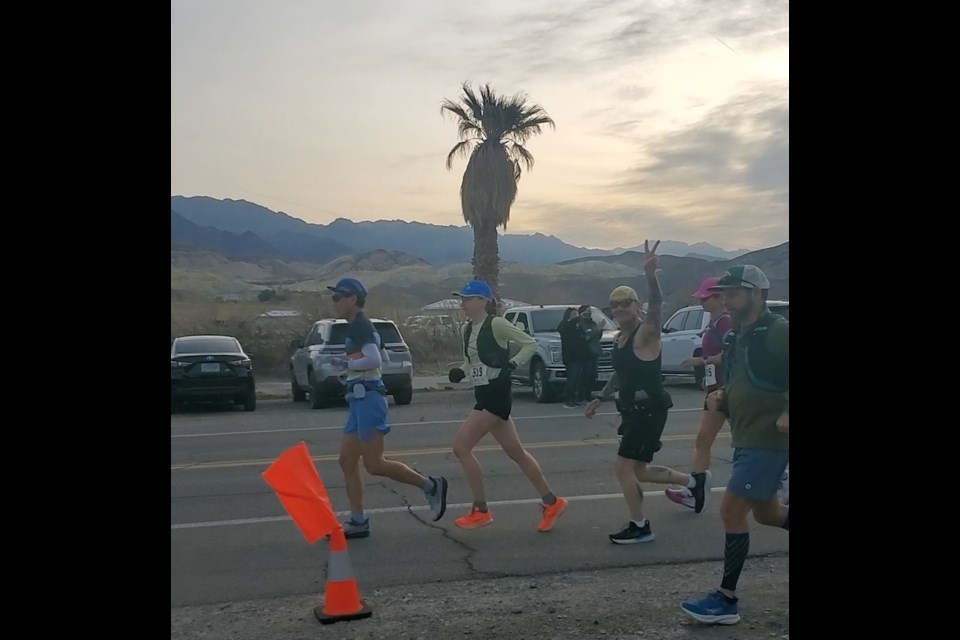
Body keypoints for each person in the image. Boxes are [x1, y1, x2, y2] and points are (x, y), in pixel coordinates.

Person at [680, 265, 789, 626]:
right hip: (745, 436)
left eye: (733, 292)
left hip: (768, 439)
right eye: (723, 292)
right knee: (768, 513)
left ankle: (726, 600)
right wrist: (723, 396)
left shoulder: (777, 331)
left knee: (730, 510)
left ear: (757, 293)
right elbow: (741, 377)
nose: (725, 298)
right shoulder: (735, 337)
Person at [584, 241, 709, 544]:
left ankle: (640, 526)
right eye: (615, 304)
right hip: (632, 410)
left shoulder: (645, 333)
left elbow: (657, 308)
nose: (620, 308)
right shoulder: (621, 338)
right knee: (639, 471)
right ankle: (693, 482)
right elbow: (621, 373)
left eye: (626, 302)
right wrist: (600, 397)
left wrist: (651, 276)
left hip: (648, 409)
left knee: (623, 467)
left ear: (636, 305)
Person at [327, 277, 448, 538]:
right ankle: (358, 521)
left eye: (338, 297)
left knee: (374, 465)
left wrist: (345, 364)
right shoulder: (354, 325)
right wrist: (346, 366)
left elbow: (374, 359)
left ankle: (430, 486)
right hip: (359, 400)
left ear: (352, 299)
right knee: (347, 461)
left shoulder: (360, 324)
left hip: (369, 400)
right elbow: (364, 360)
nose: (334, 302)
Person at [448, 279, 569, 532]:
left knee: (461, 447)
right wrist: (460, 371)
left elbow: (529, 344)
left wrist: (512, 366)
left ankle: (480, 510)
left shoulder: (498, 324)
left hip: (496, 394)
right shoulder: (468, 329)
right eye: (462, 299)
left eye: (468, 299)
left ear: (483, 301)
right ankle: (552, 502)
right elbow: (472, 360)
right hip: (483, 393)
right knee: (516, 452)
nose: (463, 304)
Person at [665, 277, 733, 512]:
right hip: (715, 390)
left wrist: (700, 361)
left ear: (719, 297)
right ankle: (695, 489)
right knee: (703, 440)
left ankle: (779, 479)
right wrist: (707, 377)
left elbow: (731, 355)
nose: (702, 301)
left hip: (730, 390)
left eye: (706, 298)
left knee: (746, 443)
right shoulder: (713, 323)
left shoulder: (725, 323)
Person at [557, 307, 586, 409]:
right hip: (570, 356)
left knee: (577, 378)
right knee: (571, 379)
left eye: (576, 313)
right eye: (574, 313)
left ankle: (574, 399)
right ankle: (568, 400)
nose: (576, 315)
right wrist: (576, 320)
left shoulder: (577, 326)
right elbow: (565, 331)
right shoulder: (564, 324)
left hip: (579, 356)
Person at [577, 305, 603, 405]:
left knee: (592, 375)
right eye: (587, 311)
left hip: (595, 353)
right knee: (584, 375)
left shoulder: (593, 323)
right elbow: (587, 337)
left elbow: (597, 337)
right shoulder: (580, 324)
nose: (589, 313)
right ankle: (580, 395)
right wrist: (596, 331)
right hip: (585, 353)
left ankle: (588, 394)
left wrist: (599, 330)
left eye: (590, 311)